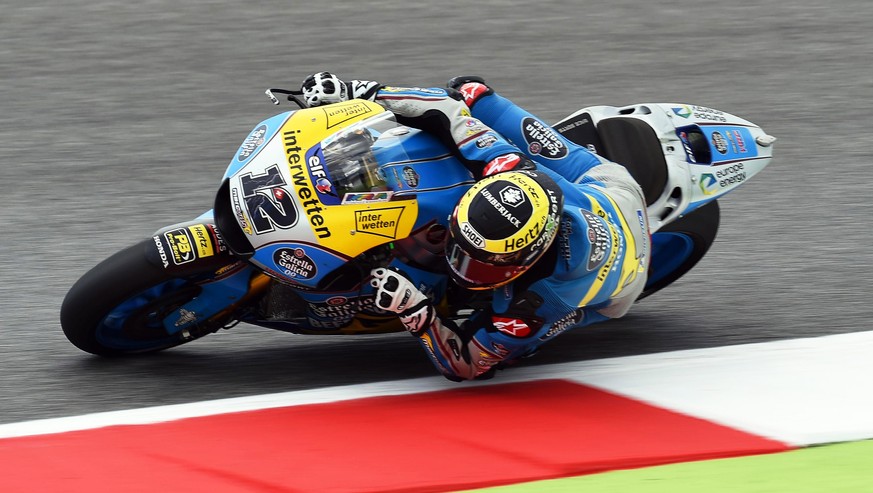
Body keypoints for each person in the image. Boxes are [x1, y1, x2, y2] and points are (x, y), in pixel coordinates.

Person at [301, 72, 651, 381]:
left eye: (478, 261)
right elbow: (447, 108)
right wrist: (359, 91)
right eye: (459, 248)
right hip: (606, 192)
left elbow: (465, 365)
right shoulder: (511, 169)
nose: (457, 264)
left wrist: (415, 311)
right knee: (470, 93)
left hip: (624, 275)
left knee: (517, 344)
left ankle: (522, 347)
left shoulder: (537, 300)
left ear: (524, 261)